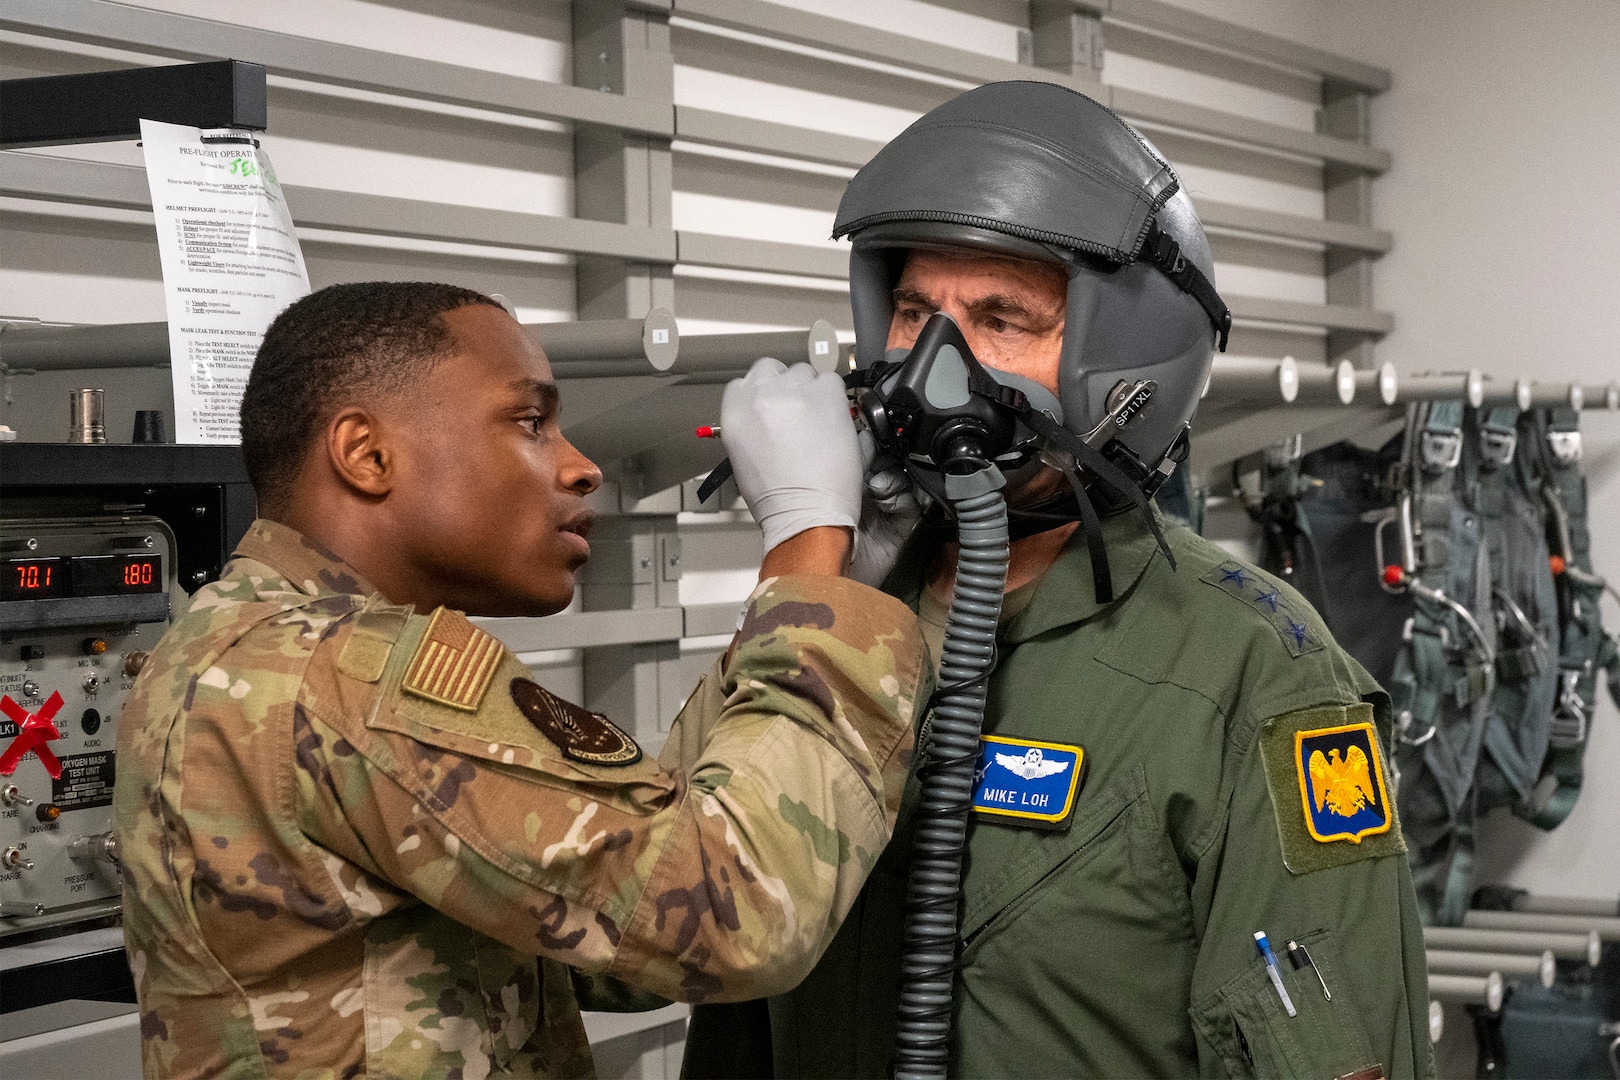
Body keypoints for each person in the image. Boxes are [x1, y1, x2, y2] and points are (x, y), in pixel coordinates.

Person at [684, 81, 1434, 1079]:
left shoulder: (1256, 675)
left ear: (1124, 368)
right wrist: (810, 577)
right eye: (913, 311)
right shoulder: (829, 626)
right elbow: (683, 915)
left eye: (1001, 319)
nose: (932, 363)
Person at [113, 281, 928, 1079]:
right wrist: (809, 558)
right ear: (367, 454)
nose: (581, 469)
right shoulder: (346, 682)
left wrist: (829, 588)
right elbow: (730, 912)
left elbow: (614, 911)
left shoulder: (258, 648)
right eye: (530, 422)